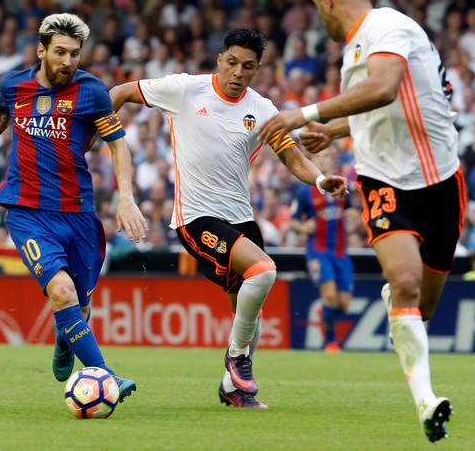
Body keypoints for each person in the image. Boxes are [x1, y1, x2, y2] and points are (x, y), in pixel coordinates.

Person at [257, 0, 465, 442]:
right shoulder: (361, 44)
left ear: (327, 1)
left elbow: (385, 88)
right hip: (383, 180)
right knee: (408, 283)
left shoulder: (386, 26)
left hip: (439, 182)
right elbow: (379, 108)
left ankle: (400, 302)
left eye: (317, 10)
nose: (320, 23)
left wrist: (302, 113)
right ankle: (427, 403)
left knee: (422, 304)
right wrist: (332, 129)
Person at [109, 28, 349, 409]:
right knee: (265, 271)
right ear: (220, 59)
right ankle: (237, 358)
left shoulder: (264, 109)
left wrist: (320, 179)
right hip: (196, 218)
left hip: (241, 219)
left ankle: (232, 388)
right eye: (232, 62)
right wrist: (96, 133)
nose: (238, 72)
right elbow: (120, 93)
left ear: (257, 69)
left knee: (246, 313)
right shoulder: (184, 89)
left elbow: (291, 156)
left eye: (248, 66)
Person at [0, 13, 147, 404]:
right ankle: (107, 377)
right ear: (41, 51)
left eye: (75, 54)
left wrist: (126, 198)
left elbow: (117, 144)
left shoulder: (92, 92)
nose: (67, 61)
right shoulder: (14, 85)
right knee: (61, 292)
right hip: (27, 211)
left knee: (78, 304)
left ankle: (66, 338)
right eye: (60, 52)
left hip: (78, 213)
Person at [290, 148, 353, 352]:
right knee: (330, 298)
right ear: (313, 161)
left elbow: (351, 209)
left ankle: (324, 314)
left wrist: (354, 217)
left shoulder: (343, 186)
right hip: (318, 251)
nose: (324, 160)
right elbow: (293, 222)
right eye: (319, 157)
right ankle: (330, 343)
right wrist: (303, 227)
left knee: (343, 304)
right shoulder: (304, 192)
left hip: (341, 252)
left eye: (327, 156)